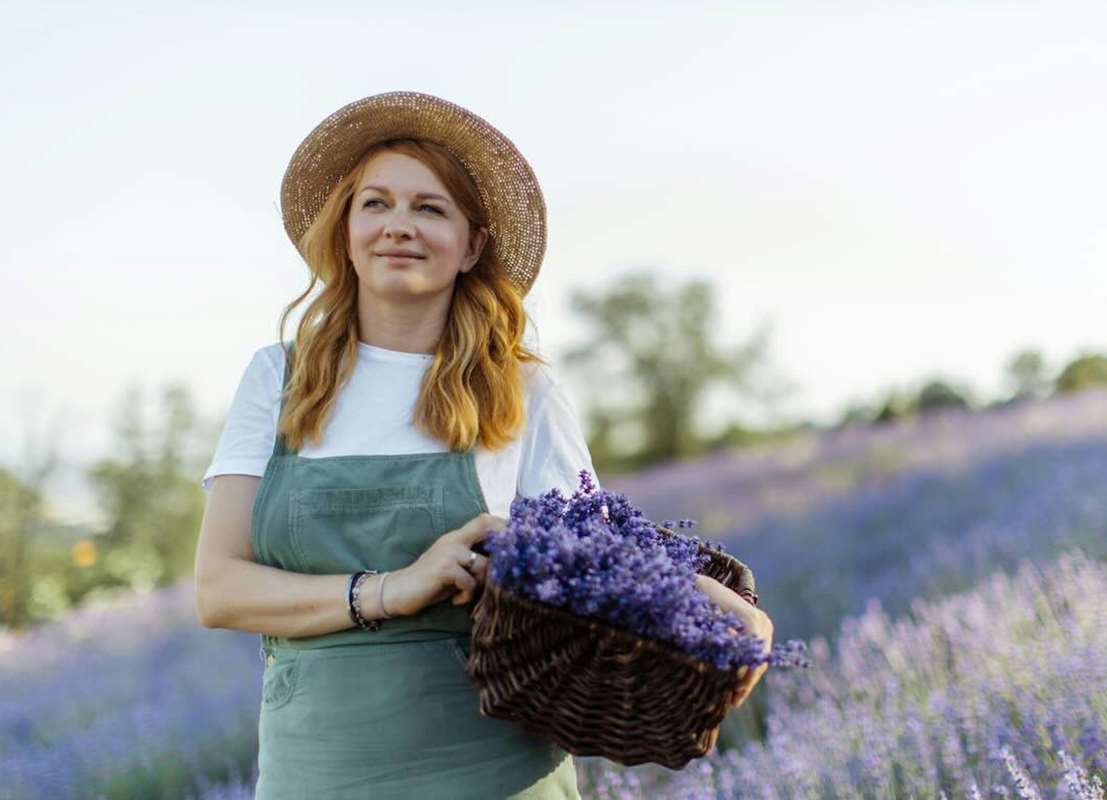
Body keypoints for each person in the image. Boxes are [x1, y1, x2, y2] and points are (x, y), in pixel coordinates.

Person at [193, 91, 771, 800]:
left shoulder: (523, 390)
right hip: (318, 770)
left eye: (429, 208)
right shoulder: (278, 380)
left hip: (495, 770)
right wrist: (393, 589)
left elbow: (600, 564)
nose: (398, 226)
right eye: (375, 204)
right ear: (344, 230)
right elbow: (219, 589)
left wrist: (720, 607)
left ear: (472, 245)